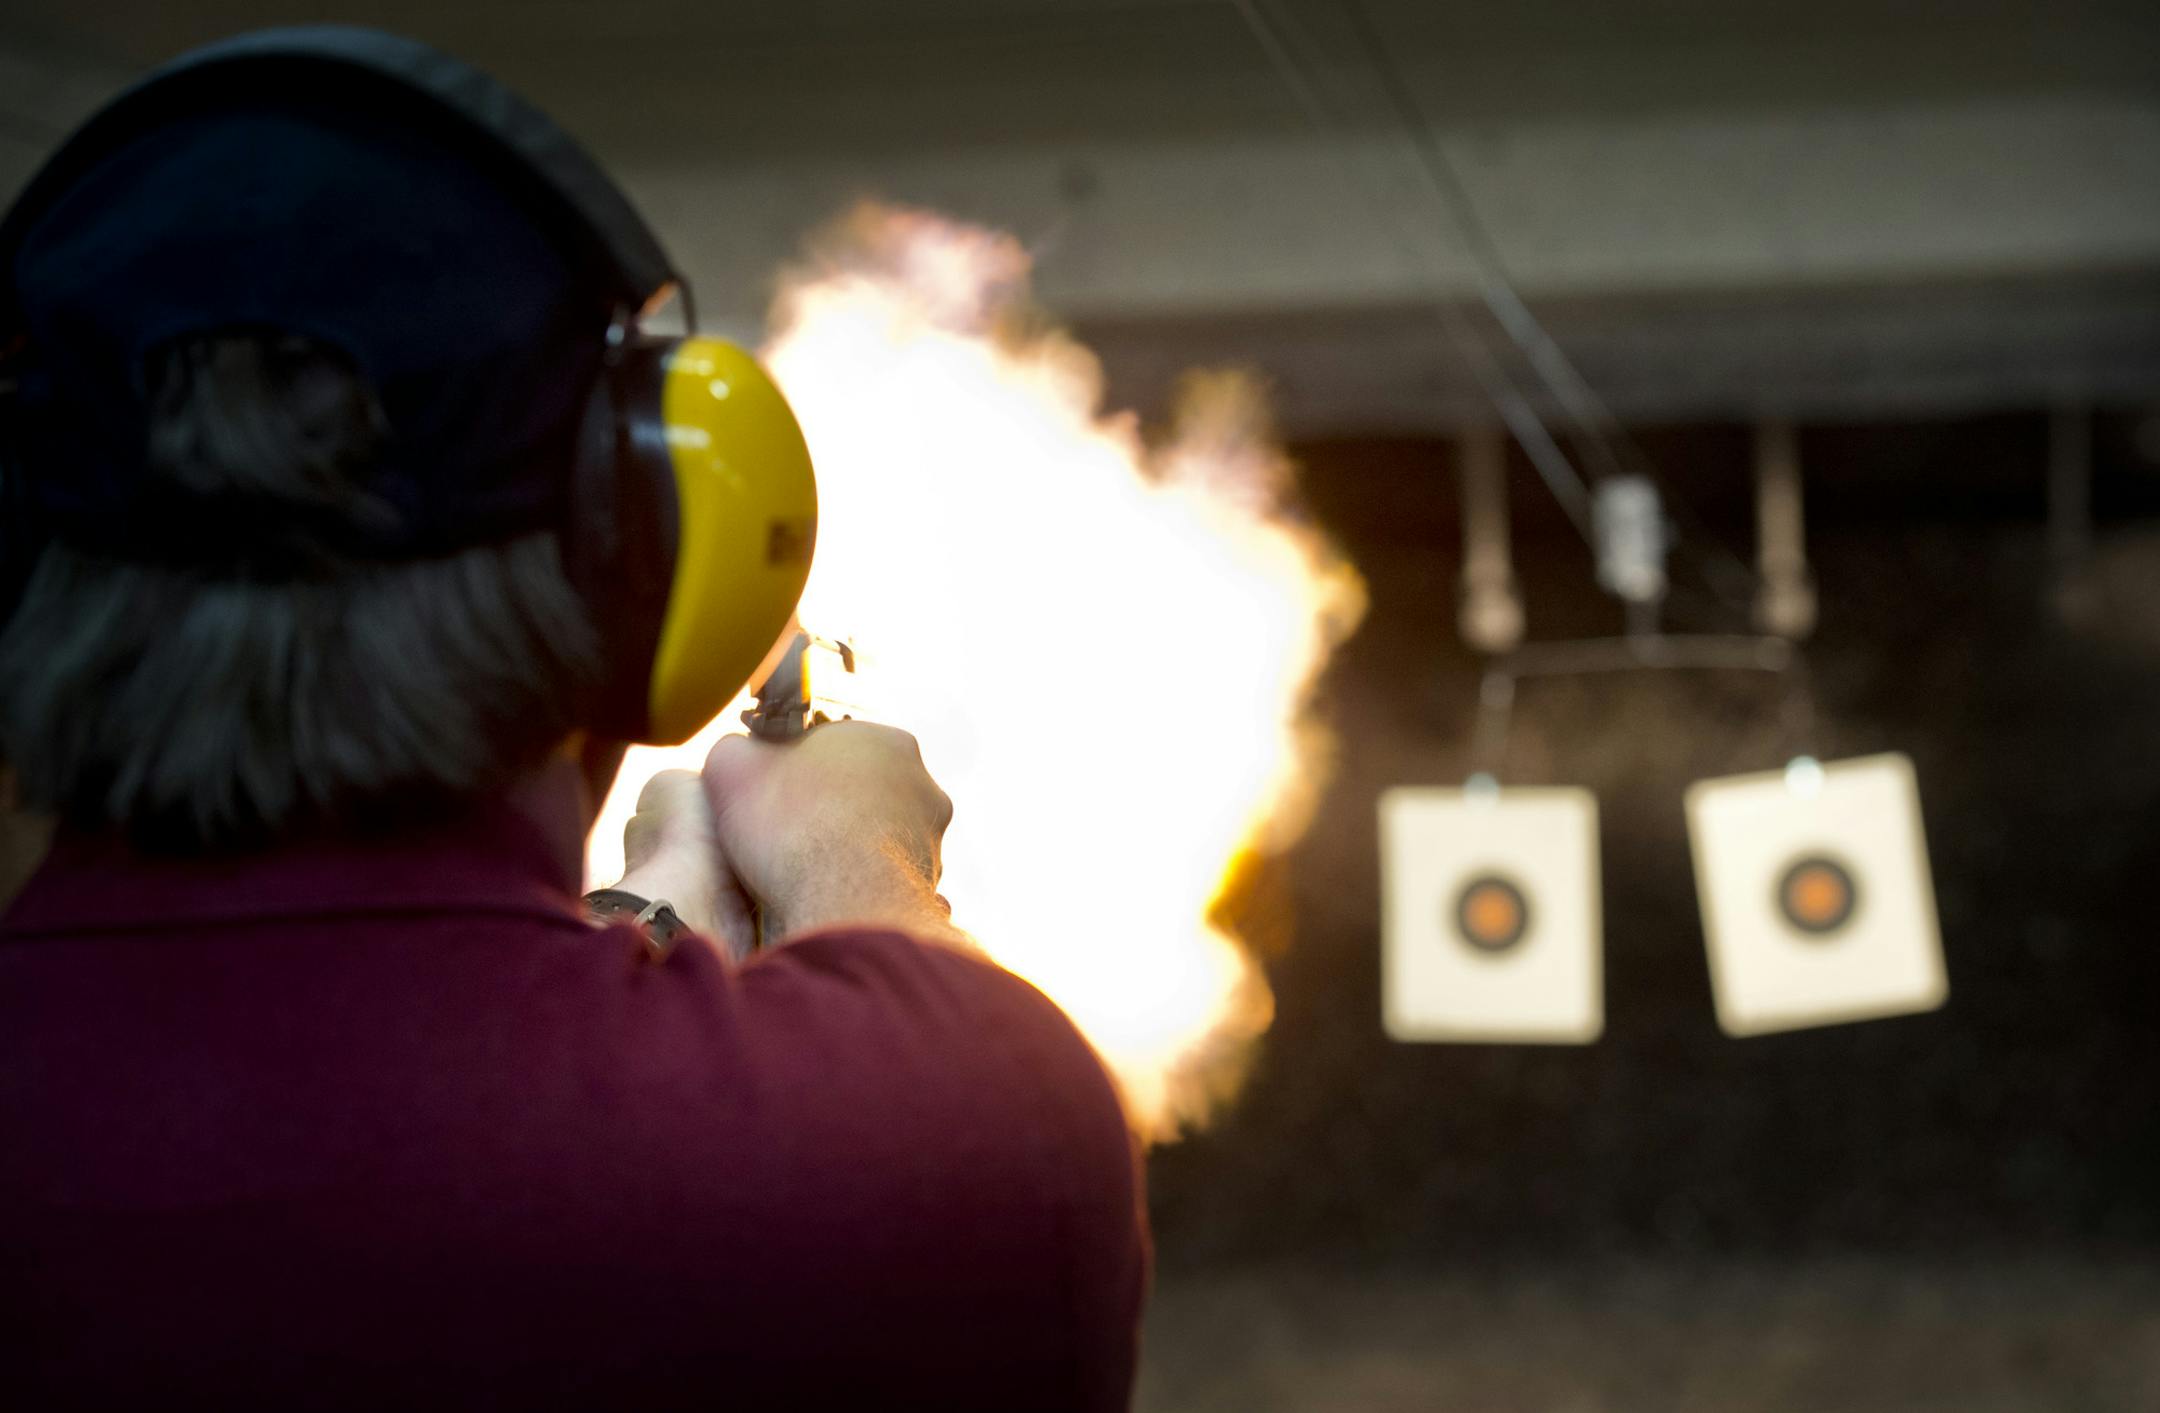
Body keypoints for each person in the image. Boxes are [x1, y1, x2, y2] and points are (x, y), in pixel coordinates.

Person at [0, 26, 1146, 1411]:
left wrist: (646, 911)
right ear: (665, 560)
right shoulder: (957, 1149)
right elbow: (958, 1090)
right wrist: (853, 851)